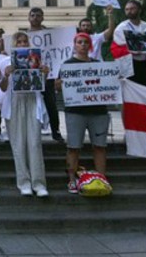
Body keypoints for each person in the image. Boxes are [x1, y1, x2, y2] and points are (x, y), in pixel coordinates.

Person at [55, 33, 110, 194]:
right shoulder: (67, 64)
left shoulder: (98, 64)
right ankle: (72, 180)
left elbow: (107, 83)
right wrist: (60, 82)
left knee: (99, 146)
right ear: (75, 45)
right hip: (75, 111)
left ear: (90, 45)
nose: (83, 45)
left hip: (98, 111)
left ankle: (101, 178)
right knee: (73, 147)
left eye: (86, 42)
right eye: (80, 42)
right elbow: (57, 87)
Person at [0, 32, 49, 197]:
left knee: (34, 143)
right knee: (18, 144)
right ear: (13, 44)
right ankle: (24, 183)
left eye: (24, 41)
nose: (22, 44)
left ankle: (39, 183)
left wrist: (45, 72)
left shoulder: (36, 60)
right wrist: (6, 74)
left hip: (32, 101)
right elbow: (1, 87)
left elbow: (42, 84)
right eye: (18, 42)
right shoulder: (6, 62)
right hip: (14, 102)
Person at [27, 7, 64, 143]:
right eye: (33, 15)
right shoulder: (24, 36)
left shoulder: (51, 35)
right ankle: (31, 131)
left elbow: (59, 55)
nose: (35, 17)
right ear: (29, 18)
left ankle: (56, 131)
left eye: (38, 15)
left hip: (48, 75)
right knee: (30, 104)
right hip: (30, 76)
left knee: (51, 104)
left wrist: (58, 76)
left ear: (42, 18)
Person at [113, 0, 146, 87]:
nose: (129, 11)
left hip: (145, 63)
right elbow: (123, 45)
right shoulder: (121, 27)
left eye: (132, 8)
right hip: (130, 64)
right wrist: (141, 45)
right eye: (127, 9)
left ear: (139, 10)